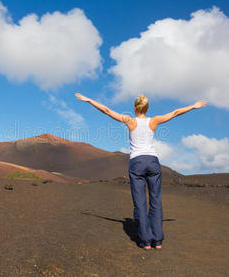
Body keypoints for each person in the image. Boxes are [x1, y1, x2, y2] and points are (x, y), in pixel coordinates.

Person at [76, 92, 207, 250]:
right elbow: (175, 112)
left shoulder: (130, 121)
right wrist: (193, 106)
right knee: (156, 201)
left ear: (134, 108)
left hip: (137, 163)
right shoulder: (154, 121)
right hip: (152, 162)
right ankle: (157, 241)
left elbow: (107, 110)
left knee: (140, 203)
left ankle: (145, 241)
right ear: (147, 108)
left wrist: (90, 99)